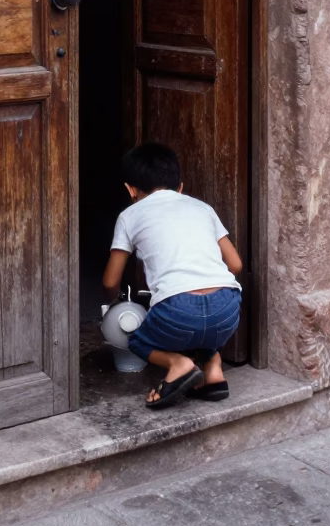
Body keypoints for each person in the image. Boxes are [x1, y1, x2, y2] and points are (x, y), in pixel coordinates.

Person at [102, 142, 243, 409]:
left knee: (136, 338)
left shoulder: (129, 216)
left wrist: (115, 302)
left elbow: (110, 281)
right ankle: (214, 370)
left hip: (178, 310)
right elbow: (235, 265)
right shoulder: (203, 208)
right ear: (180, 187)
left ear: (130, 190)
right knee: (204, 325)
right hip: (227, 310)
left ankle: (177, 363)